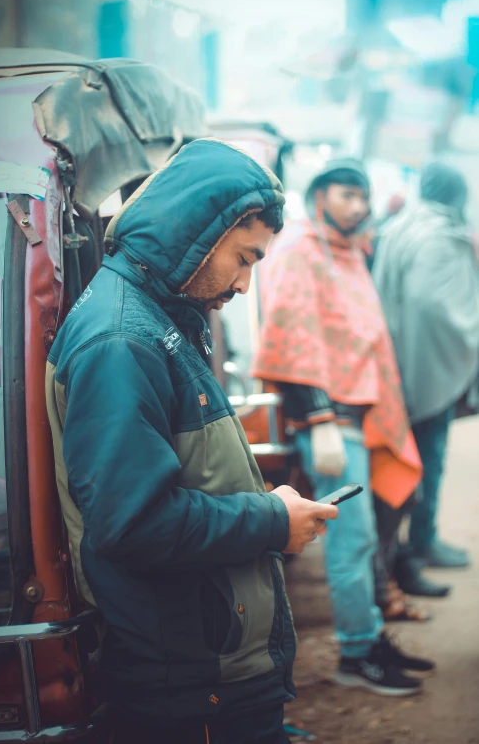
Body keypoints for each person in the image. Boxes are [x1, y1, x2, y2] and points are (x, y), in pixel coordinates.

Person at [45, 138, 339, 744]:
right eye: (244, 258)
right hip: (191, 681)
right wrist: (271, 522)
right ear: (200, 234)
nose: (244, 284)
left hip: (207, 665)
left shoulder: (158, 318)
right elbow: (135, 524)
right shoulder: (122, 341)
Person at [253, 158, 434, 696]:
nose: (357, 205)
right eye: (346, 194)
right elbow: (292, 334)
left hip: (363, 412)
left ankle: (369, 638)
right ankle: (357, 653)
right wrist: (320, 418)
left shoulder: (349, 252)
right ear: (320, 195)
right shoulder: (302, 251)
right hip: (332, 419)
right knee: (350, 540)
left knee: (369, 535)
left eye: (363, 196)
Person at [373, 162, 479, 593]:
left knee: (406, 463)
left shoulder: (403, 225)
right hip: (423, 367)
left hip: (398, 362)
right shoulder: (439, 236)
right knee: (426, 462)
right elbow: (437, 307)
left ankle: (407, 550)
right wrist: (472, 328)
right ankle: (419, 546)